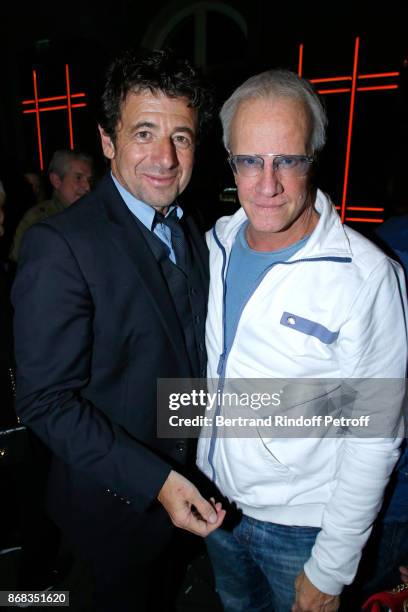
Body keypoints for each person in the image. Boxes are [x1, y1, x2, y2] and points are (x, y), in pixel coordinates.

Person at [12, 48, 225, 612]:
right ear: (108, 141)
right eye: (144, 133)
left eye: (181, 137)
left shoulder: (189, 227)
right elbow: (45, 402)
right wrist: (156, 480)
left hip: (185, 508)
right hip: (108, 521)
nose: (165, 157)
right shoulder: (60, 246)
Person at [196, 69, 407, 612]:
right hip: (215, 508)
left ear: (313, 159)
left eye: (287, 160)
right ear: (231, 162)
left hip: (302, 532)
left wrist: (332, 568)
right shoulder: (211, 246)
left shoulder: (366, 276)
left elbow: (377, 434)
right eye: (250, 160)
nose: (267, 184)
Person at [9, 149, 94, 262]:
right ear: (56, 180)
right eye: (78, 178)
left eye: (89, 180)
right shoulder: (38, 219)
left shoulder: (93, 215)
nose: (87, 187)